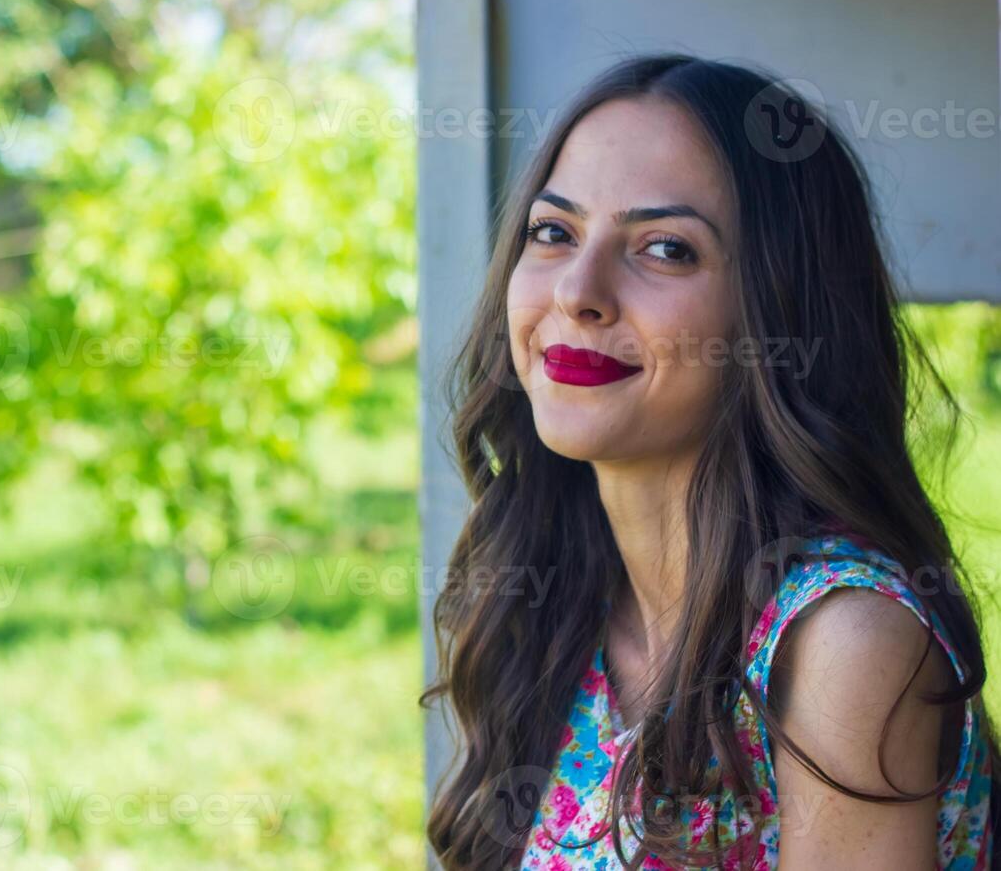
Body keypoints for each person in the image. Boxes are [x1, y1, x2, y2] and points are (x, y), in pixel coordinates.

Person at [420, 53, 997, 870]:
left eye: (663, 249)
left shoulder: (840, 642)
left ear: (776, 308)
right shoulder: (558, 600)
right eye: (552, 232)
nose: (576, 292)